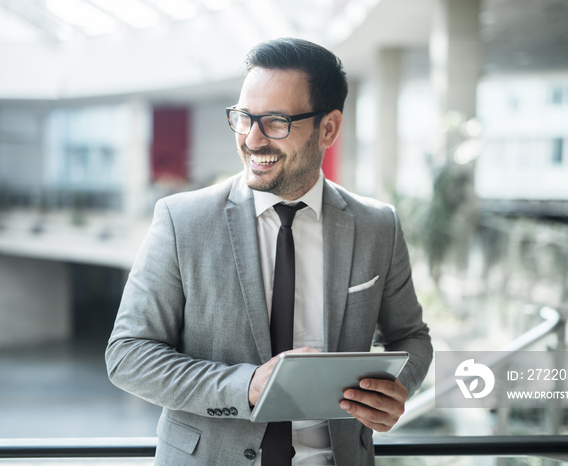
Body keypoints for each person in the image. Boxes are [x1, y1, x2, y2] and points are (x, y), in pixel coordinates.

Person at [106, 37, 433, 465]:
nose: (252, 139)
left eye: (276, 121)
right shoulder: (181, 220)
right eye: (244, 117)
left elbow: (412, 337)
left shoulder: (377, 225)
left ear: (329, 128)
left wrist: (395, 389)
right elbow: (129, 354)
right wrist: (246, 386)